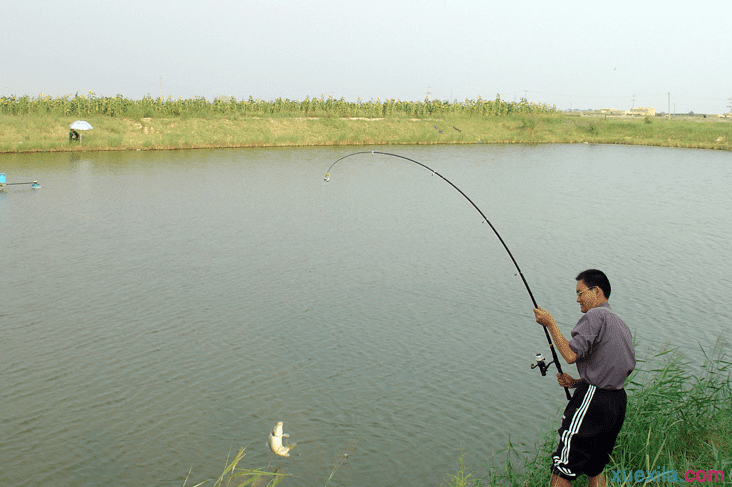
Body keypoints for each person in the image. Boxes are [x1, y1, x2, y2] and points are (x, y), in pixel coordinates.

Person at [533, 269, 635, 487]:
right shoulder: (620, 325)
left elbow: (570, 355)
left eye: (580, 293)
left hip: (593, 402)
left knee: (562, 468)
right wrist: (576, 382)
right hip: (616, 403)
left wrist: (550, 322)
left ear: (596, 291)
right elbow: (617, 372)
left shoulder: (594, 316)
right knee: (595, 468)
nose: (577, 298)